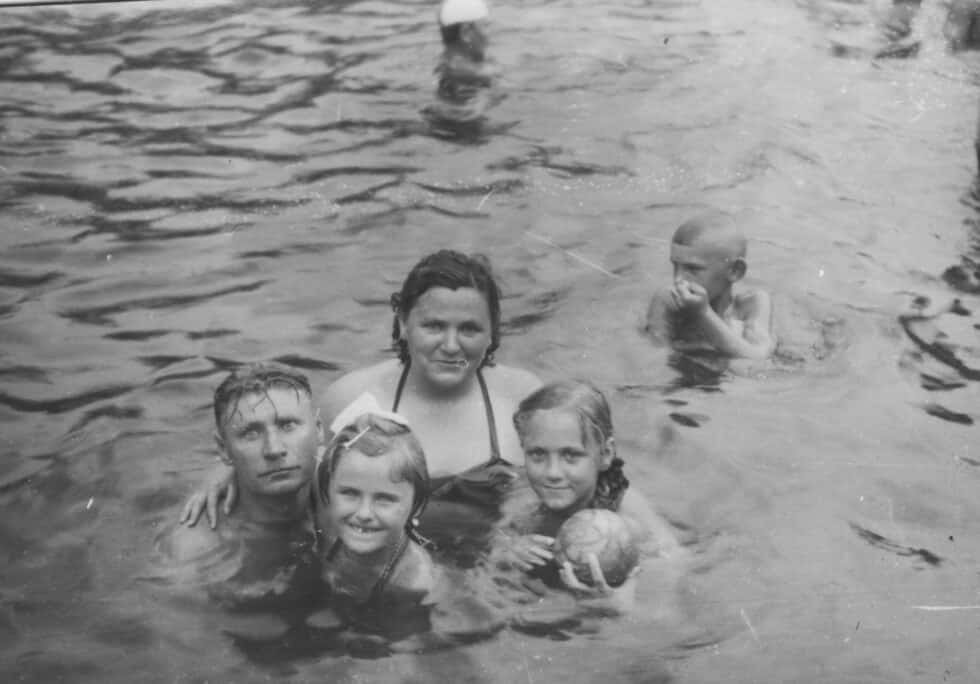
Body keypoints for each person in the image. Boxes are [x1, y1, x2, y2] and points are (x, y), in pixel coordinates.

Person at [181, 250, 542, 559]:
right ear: (402, 324)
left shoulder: (521, 397)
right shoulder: (353, 394)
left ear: (493, 331)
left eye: (469, 329)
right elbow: (291, 444)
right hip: (379, 556)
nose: (450, 345)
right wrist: (221, 474)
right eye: (433, 326)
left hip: (494, 555)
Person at [489, 380, 678, 605]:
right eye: (537, 454)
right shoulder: (523, 498)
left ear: (606, 454)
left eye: (571, 455)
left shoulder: (626, 512)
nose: (552, 472)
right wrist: (508, 552)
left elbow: (675, 564)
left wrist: (624, 604)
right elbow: (495, 541)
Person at [157, 363, 323, 609]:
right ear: (223, 449)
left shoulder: (352, 486)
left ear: (319, 430)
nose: (274, 449)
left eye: (287, 426)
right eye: (251, 434)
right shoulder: (193, 551)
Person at [311, 413, 438, 636]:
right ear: (327, 492)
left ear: (416, 507)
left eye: (384, 499)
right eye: (350, 493)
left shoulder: (413, 584)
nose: (363, 513)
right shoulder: (329, 518)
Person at [644, 212, 775, 360]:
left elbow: (758, 356)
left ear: (735, 271)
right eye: (675, 266)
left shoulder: (752, 303)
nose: (678, 279)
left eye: (692, 269)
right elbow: (653, 358)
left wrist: (702, 313)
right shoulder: (668, 299)